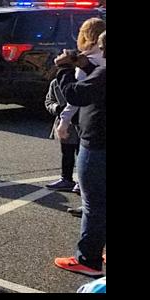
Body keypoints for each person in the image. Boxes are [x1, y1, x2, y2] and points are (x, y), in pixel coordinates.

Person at [53, 32, 106, 277]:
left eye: (102, 48)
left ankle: (88, 260)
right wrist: (84, 66)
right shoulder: (101, 72)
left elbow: (76, 94)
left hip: (98, 144)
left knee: (94, 203)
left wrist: (64, 69)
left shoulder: (104, 73)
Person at [43, 59, 79, 192]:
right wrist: (56, 108)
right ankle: (66, 178)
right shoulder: (55, 83)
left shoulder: (80, 81)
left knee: (82, 154)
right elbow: (49, 101)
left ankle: (82, 182)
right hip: (64, 125)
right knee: (67, 153)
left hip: (79, 123)